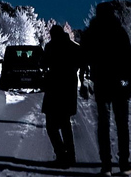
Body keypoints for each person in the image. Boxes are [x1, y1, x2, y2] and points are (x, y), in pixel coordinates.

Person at [81, 1, 131, 176]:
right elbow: (129, 58)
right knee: (122, 125)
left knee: (103, 125)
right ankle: (125, 164)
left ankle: (106, 165)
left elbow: (84, 58)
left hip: (102, 83)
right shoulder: (120, 31)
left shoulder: (91, 33)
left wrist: (85, 79)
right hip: (119, 84)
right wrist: (129, 82)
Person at [39, 24, 83, 168]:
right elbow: (81, 63)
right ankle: (70, 156)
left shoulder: (51, 47)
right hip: (68, 89)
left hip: (54, 88)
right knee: (65, 124)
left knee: (51, 126)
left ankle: (61, 154)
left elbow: (43, 63)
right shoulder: (74, 46)